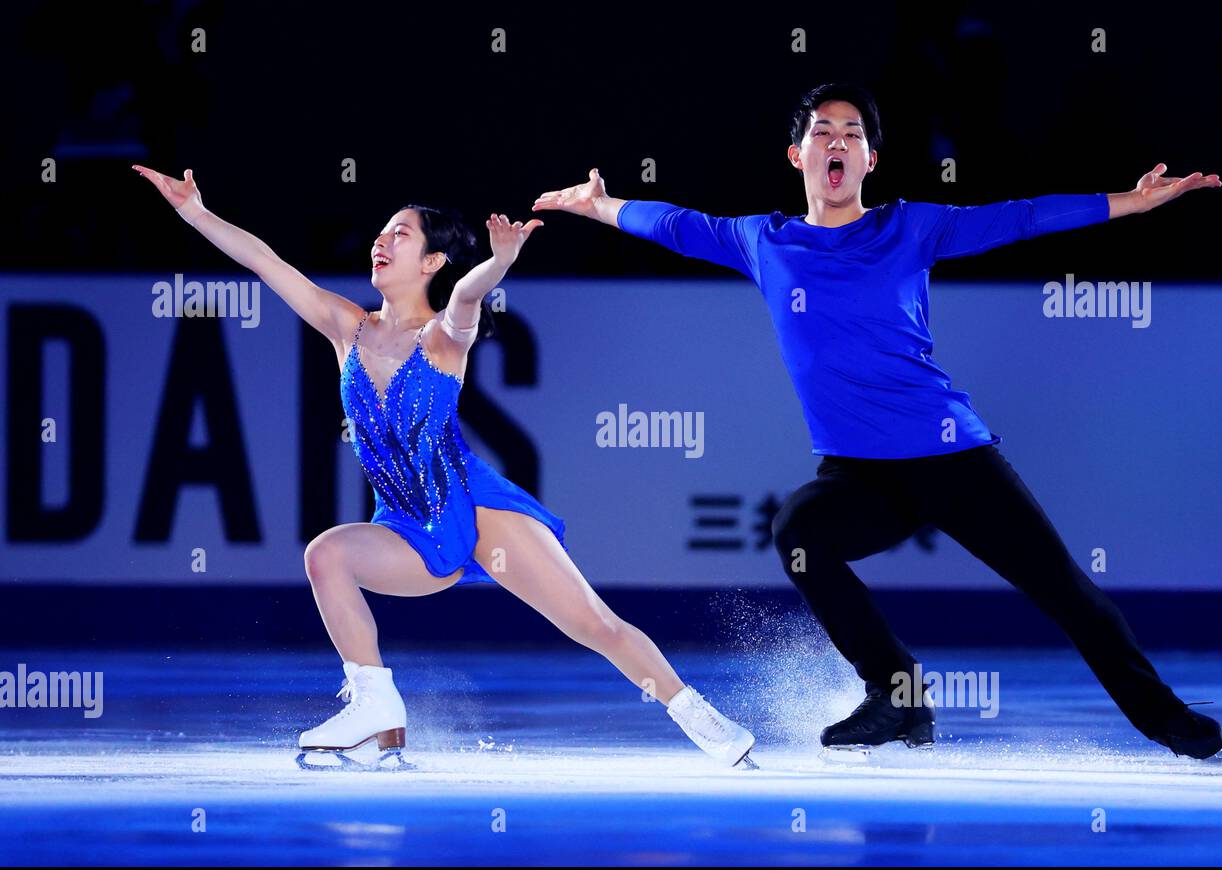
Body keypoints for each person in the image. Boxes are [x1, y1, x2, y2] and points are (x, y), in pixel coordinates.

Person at [532, 81, 1222, 760]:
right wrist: (600, 207)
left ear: (870, 161)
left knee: (1067, 592)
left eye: (853, 135)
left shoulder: (911, 227)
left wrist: (1127, 204)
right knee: (800, 529)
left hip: (950, 454)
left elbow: (1017, 216)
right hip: (860, 473)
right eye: (823, 133)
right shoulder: (763, 242)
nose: (838, 142)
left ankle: (1168, 720)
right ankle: (898, 693)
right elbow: (677, 225)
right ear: (796, 155)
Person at [132, 164, 756, 770]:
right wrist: (195, 212)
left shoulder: (442, 339)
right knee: (327, 555)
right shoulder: (345, 328)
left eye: (399, 234)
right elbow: (267, 263)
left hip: (477, 509)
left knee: (594, 623)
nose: (381, 241)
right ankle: (376, 708)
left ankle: (703, 720)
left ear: (431, 262)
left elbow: (465, 299)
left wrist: (501, 260)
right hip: (406, 524)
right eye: (380, 233)